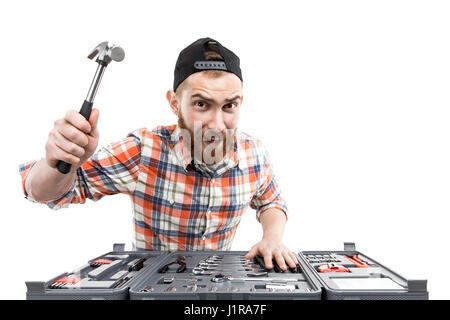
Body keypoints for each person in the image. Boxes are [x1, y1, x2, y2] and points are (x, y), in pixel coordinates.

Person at [19, 37, 298, 271]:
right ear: (174, 103)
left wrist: (272, 237)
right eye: (201, 104)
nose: (216, 124)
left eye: (229, 106)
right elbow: (45, 192)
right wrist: (59, 162)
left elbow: (270, 201)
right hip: (150, 288)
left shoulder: (253, 154)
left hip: (216, 290)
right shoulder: (143, 152)